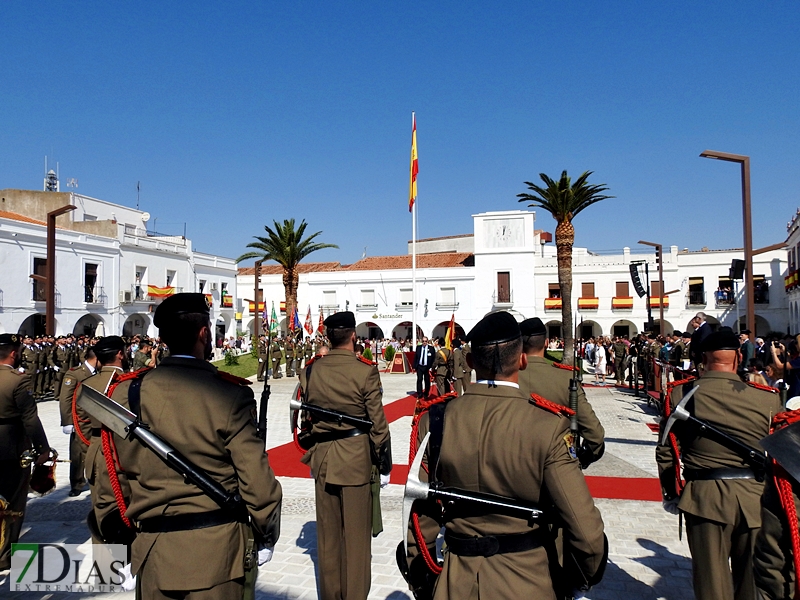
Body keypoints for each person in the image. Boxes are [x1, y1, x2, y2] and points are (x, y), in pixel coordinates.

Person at [408, 312, 607, 598]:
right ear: (522, 360)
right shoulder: (548, 426)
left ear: (472, 362)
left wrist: (423, 576)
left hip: (456, 579)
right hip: (528, 578)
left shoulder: (436, 419)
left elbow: (419, 513)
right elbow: (587, 535)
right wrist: (577, 579)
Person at [109, 294, 283, 598]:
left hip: (152, 552)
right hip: (216, 555)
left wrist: (123, 545)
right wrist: (266, 534)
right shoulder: (230, 394)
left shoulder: (126, 393)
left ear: (162, 337)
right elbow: (256, 482)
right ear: (204, 333)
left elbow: (114, 474)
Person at [655, 327, 781, 600]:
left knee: (711, 584)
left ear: (702, 357)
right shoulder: (767, 398)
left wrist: (672, 493)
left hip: (704, 497)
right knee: (753, 581)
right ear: (737, 357)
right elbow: (780, 454)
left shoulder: (681, 394)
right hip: (756, 499)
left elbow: (666, 452)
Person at [299, 311, 391, 600]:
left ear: (328, 337)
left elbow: (305, 423)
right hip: (355, 460)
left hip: (323, 459)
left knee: (327, 542)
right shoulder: (365, 370)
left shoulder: (312, 370)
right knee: (356, 542)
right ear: (353, 336)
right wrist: (384, 462)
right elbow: (378, 425)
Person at [518, 317, 605, 467]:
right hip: (556, 462)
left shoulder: (506, 376)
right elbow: (595, 434)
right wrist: (584, 458)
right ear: (546, 343)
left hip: (514, 460)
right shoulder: (565, 378)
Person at [0, 333, 52, 572]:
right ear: (13, 353)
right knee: (12, 503)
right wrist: (42, 449)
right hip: (11, 448)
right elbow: (30, 419)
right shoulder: (17, 381)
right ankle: (5, 555)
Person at [58, 347, 99, 496]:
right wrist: (67, 421)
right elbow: (65, 398)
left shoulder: (97, 373)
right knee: (77, 453)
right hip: (79, 419)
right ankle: (76, 483)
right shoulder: (75, 373)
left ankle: (94, 478)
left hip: (93, 418)